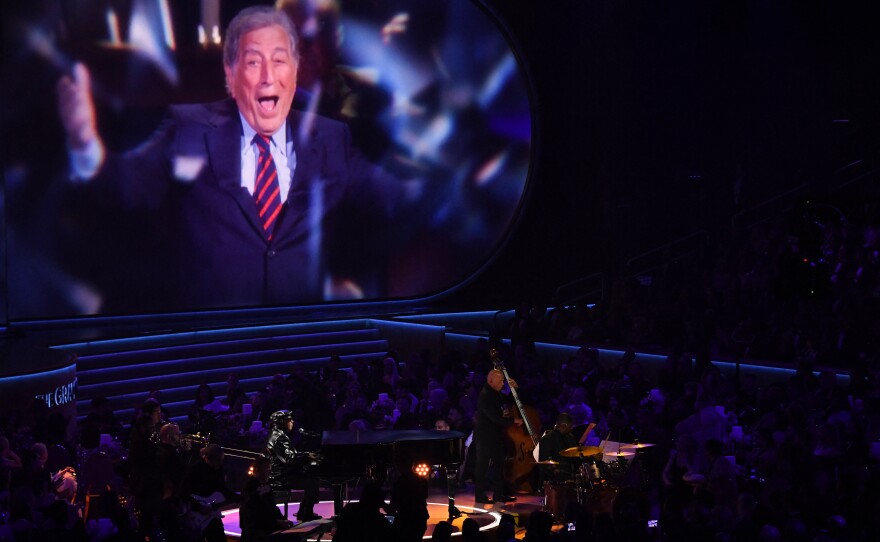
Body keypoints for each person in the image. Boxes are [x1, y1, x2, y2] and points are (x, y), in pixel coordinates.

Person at [56, 5, 409, 311]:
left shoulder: (330, 138)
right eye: (253, 62)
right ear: (230, 74)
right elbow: (127, 183)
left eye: (279, 61)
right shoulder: (189, 127)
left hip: (302, 349)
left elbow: (395, 196)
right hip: (215, 352)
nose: (268, 78)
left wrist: (456, 184)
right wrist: (86, 143)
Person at [473, 368, 522, 504]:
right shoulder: (485, 396)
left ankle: (499, 495)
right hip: (485, 437)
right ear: (491, 381)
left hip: (496, 436)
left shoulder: (495, 393)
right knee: (482, 467)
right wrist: (513, 421)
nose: (502, 384)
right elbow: (495, 417)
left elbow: (507, 402)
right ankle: (480, 495)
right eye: (500, 381)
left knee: (499, 466)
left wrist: (514, 390)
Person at [264, 410, 322, 521]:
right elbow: (289, 459)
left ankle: (303, 512)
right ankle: (306, 514)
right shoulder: (279, 437)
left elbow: (290, 455)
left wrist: (306, 455)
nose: (292, 421)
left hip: (280, 473)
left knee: (311, 478)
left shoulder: (276, 434)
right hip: (281, 477)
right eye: (289, 419)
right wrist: (307, 457)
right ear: (281, 422)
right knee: (312, 481)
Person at [240, 456, 296, 542]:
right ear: (258, 470)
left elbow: (273, 508)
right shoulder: (250, 488)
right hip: (258, 534)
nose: (270, 472)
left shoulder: (265, 486)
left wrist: (283, 520)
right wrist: (278, 522)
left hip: (268, 528)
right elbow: (256, 517)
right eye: (267, 469)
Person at [537, 412, 579, 481]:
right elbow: (543, 463)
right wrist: (554, 470)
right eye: (570, 426)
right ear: (563, 426)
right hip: (555, 480)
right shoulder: (547, 439)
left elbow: (576, 456)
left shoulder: (570, 438)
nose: (572, 429)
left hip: (571, 477)